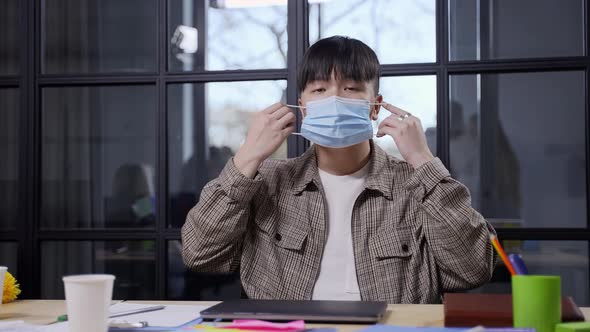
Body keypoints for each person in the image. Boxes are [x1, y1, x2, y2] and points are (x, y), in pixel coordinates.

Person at [182, 36, 496, 303]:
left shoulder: (416, 185)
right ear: (302, 106)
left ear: (375, 106)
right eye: (319, 90)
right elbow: (199, 253)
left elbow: (473, 270)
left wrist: (423, 161)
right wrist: (248, 156)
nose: (334, 99)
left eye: (351, 88)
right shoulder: (267, 182)